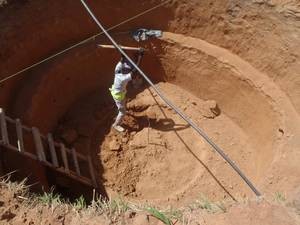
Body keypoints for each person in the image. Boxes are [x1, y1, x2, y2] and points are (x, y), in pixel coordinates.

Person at [110, 49, 144, 132]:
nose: (129, 70)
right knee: (122, 112)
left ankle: (119, 108)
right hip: (119, 96)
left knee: (122, 104)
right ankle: (116, 125)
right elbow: (135, 69)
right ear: (126, 71)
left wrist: (122, 52)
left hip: (116, 92)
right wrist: (140, 57)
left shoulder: (117, 69)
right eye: (128, 70)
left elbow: (122, 59)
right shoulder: (124, 78)